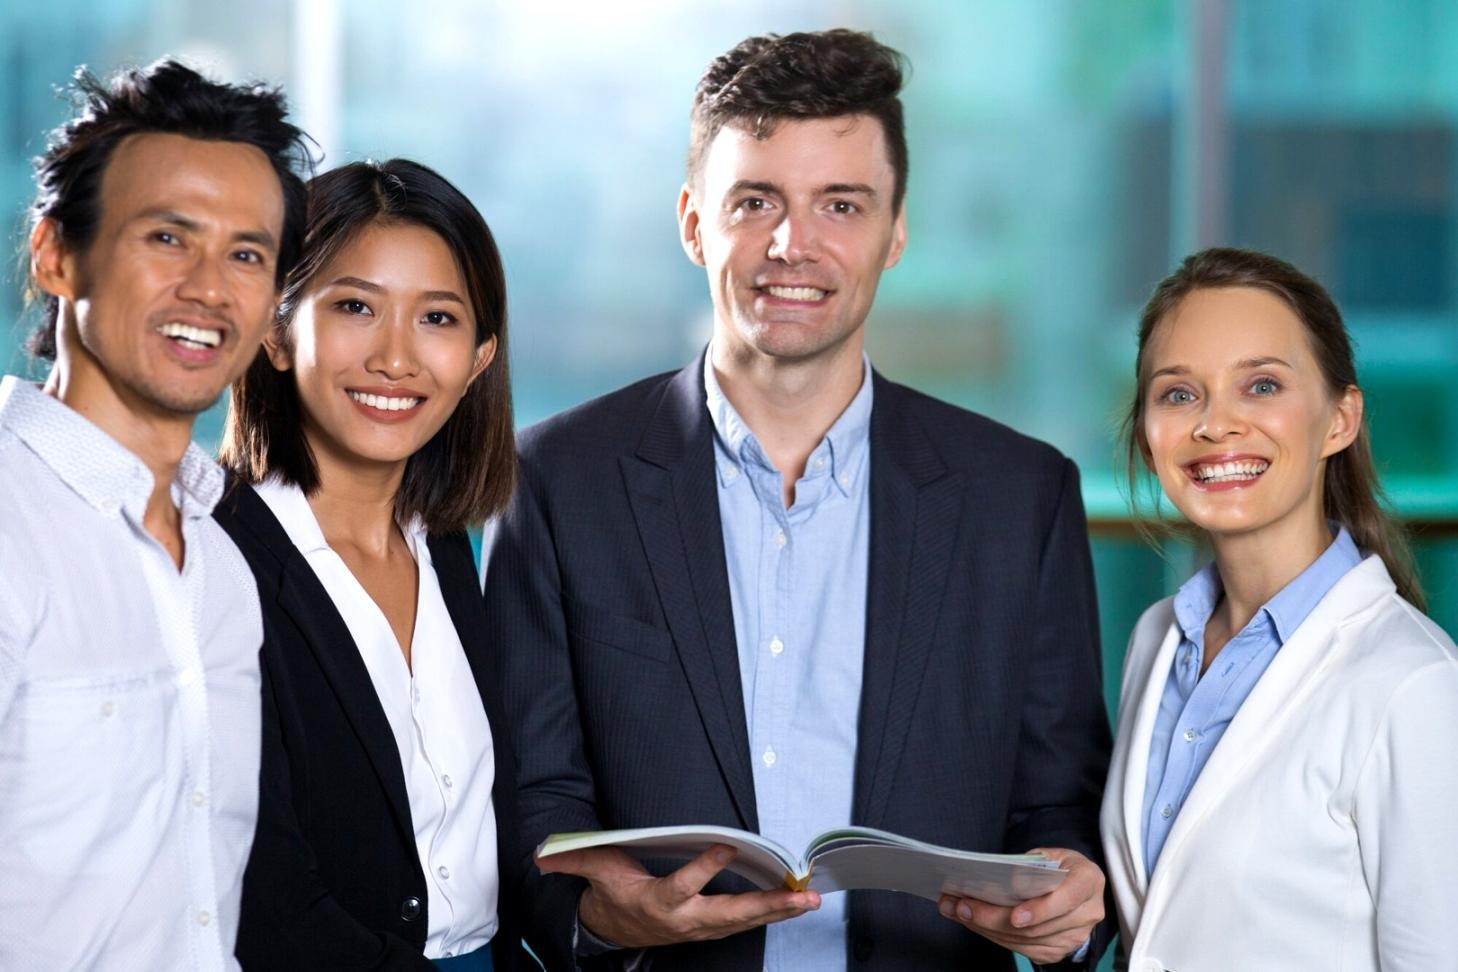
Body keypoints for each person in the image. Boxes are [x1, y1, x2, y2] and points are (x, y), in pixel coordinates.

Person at [482, 29, 1111, 971]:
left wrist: (1068, 898)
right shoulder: (557, 483)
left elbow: (1059, 809)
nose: (793, 245)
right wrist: (605, 919)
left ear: (896, 232)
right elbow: (532, 803)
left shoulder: (1021, 501)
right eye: (756, 201)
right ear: (695, 221)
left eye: (841, 204)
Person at [0, 60, 309, 969]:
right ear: (55, 254)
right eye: (168, 238)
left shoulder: (221, 563)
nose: (210, 289)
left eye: (247, 254)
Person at [1099, 247, 1458, 969]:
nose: (1215, 424)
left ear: (1340, 420)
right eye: (1178, 394)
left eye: (1261, 386)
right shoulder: (1155, 640)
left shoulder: (1414, 686)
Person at [214, 158, 522, 971]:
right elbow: (262, 896)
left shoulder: (451, 547)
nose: (395, 359)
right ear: (276, 332)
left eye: (439, 319)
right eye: (355, 306)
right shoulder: (216, 558)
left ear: (482, 356)